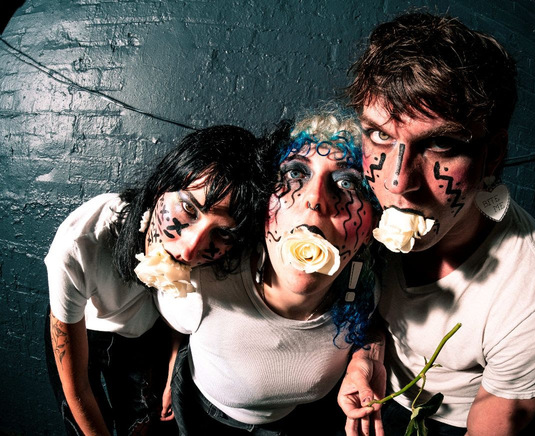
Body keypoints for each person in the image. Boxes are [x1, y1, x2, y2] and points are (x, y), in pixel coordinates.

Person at [337, 11, 535, 436]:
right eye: (380, 135)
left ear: (493, 154)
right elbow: (377, 307)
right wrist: (366, 357)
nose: (398, 182)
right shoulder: (363, 205)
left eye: (442, 144)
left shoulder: (534, 306)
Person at [153, 107, 380, 435]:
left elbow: (372, 327)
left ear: (372, 225)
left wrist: (365, 359)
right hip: (204, 415)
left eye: (347, 182)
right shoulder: (201, 283)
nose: (315, 199)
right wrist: (174, 362)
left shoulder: (364, 291)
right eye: (295, 173)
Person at [44, 125, 269, 436]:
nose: (190, 249)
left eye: (222, 232)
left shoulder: (215, 256)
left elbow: (180, 310)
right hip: (84, 328)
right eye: (189, 208)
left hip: (145, 334)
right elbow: (77, 388)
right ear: (162, 184)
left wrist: (172, 368)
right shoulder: (81, 242)